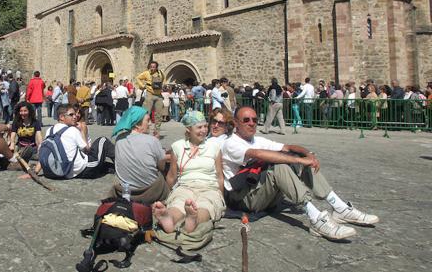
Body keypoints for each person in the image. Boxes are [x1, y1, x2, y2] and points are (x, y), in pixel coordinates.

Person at [220, 106, 379, 240]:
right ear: (235, 123)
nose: (252, 123)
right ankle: (315, 218)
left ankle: (339, 208)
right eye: (246, 120)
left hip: (260, 192)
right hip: (243, 198)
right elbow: (257, 154)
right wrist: (298, 161)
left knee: (297, 157)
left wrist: (307, 154)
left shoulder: (258, 139)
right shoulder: (230, 143)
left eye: (255, 120)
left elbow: (288, 147)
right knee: (281, 165)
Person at [152, 110, 225, 234]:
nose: (204, 130)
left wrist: (221, 196)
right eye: (199, 127)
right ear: (188, 130)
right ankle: (169, 218)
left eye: (205, 126)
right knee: (178, 202)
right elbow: (172, 175)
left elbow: (219, 176)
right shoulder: (178, 147)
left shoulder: (214, 147)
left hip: (209, 187)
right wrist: (167, 196)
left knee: (206, 205)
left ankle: (194, 219)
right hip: (185, 185)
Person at [29, 104, 115, 179]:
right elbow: (87, 150)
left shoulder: (50, 130)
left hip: (64, 171)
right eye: (71, 115)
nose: (75, 117)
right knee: (103, 140)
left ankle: (114, 167)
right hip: (83, 170)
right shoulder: (72, 130)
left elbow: (45, 152)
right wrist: (82, 131)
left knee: (103, 163)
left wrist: (36, 171)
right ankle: (123, 164)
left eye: (75, 114)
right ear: (62, 117)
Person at [109, 106, 169, 204]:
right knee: (168, 166)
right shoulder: (152, 141)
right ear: (137, 124)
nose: (150, 124)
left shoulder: (119, 139)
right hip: (149, 192)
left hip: (125, 191)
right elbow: (161, 167)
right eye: (148, 120)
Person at [136, 61, 166, 133]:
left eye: (153, 67)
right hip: (150, 94)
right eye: (151, 66)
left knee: (159, 114)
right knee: (146, 112)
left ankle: (157, 130)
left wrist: (163, 85)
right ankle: (144, 129)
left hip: (159, 95)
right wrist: (142, 86)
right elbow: (138, 78)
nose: (152, 68)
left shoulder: (161, 73)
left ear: (156, 67)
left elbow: (164, 79)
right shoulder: (146, 73)